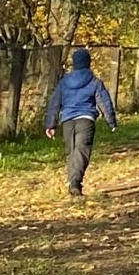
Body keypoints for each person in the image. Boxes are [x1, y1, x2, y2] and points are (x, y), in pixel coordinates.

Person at [44, 48, 117, 198]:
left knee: (72, 152)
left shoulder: (64, 82)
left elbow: (55, 102)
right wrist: (111, 121)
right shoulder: (94, 81)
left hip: (67, 121)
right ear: (88, 63)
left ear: (74, 63)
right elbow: (104, 101)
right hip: (86, 120)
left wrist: (50, 124)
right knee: (82, 151)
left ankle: (73, 183)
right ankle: (75, 182)